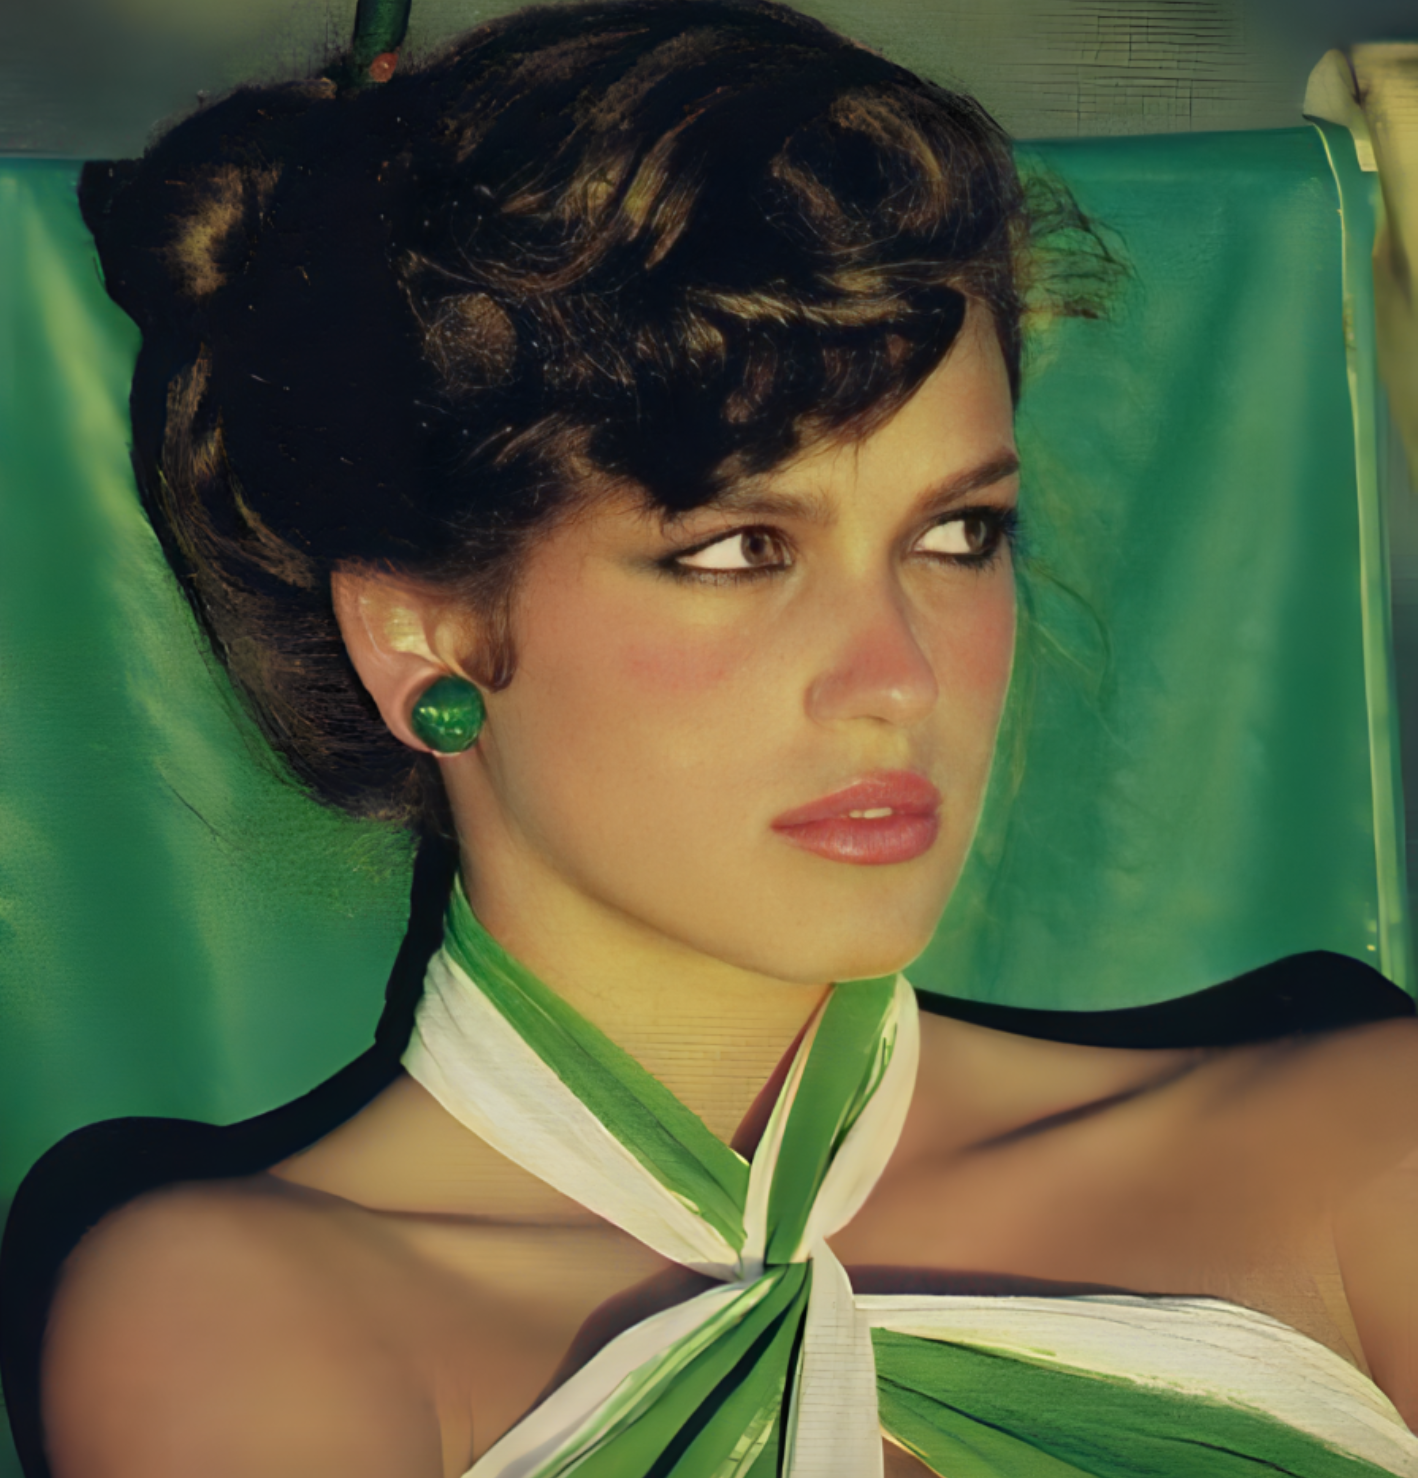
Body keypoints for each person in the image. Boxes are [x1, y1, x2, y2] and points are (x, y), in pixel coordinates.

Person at [5, 2, 1418, 1475]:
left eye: (956, 533)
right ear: (427, 633)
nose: (897, 682)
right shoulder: (240, 1317)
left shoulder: (1358, 1144)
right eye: (740, 550)